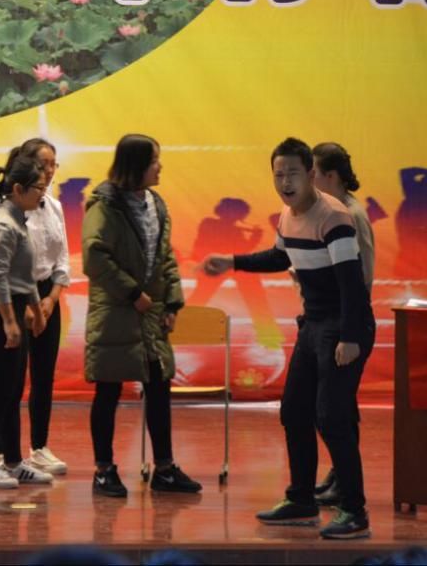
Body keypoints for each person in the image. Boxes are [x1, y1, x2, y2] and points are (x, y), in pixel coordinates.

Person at [202, 138, 374, 540]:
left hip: (342, 325)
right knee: (295, 411)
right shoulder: (287, 215)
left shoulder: (334, 217)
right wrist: (232, 262)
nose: (285, 182)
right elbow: (280, 257)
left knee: (332, 417)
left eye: (293, 173)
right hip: (312, 324)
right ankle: (301, 499)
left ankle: (354, 510)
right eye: (278, 175)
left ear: (311, 174)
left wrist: (349, 337)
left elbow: (352, 284)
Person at [84, 134, 202, 498]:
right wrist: (133, 293)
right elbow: (94, 257)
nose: (159, 166)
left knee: (159, 386)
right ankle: (103, 470)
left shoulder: (156, 204)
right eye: (154, 161)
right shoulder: (105, 206)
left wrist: (172, 304)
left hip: (150, 313)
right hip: (116, 312)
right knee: (108, 390)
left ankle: (164, 469)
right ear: (135, 165)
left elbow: (166, 257)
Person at [0, 138, 71, 477]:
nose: (50, 171)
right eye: (44, 164)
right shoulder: (7, 208)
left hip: (47, 297)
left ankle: (39, 447)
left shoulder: (53, 206)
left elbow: (62, 258)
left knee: (43, 376)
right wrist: (26, 304)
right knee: (11, 378)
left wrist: (52, 298)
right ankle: (0, 451)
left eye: (54, 164)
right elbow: (2, 265)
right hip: (17, 297)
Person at [0, 154, 53, 490]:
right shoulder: (3, 224)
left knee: (13, 390)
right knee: (0, 390)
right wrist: (9, 321)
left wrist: (35, 309)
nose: (42, 195)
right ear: (18, 189)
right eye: (38, 189)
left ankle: (14, 461)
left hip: (16, 307)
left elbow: (25, 275)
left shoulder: (19, 220)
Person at [310, 141, 376, 507]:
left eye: (314, 174)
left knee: (337, 408)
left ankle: (346, 485)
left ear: (331, 176)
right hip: (328, 318)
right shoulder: (327, 211)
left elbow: (359, 277)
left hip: (347, 320)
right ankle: (338, 473)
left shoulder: (351, 214)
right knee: (337, 406)